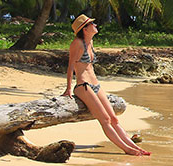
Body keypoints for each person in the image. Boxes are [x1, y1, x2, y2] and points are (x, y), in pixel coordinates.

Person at [63, 14, 149, 156]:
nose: (95, 25)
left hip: (96, 84)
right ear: (85, 29)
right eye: (92, 24)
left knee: (114, 118)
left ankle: (134, 146)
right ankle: (127, 149)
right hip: (83, 86)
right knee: (106, 119)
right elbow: (70, 67)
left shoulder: (90, 43)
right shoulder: (76, 44)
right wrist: (68, 89)